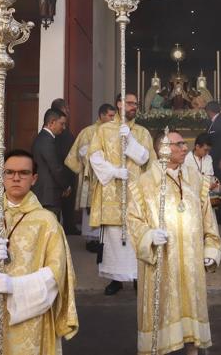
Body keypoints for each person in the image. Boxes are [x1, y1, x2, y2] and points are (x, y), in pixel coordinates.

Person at [0, 149, 78, 355]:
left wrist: (16, 286)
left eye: (23, 173)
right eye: (9, 172)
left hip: (28, 319)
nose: (16, 177)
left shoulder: (47, 222)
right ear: (3, 176)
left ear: (34, 178)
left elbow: (57, 274)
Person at [128, 130, 221, 355]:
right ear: (163, 149)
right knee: (162, 310)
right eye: (178, 144)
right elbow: (132, 219)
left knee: (192, 307)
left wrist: (210, 247)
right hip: (162, 260)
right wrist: (149, 236)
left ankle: (192, 349)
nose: (184, 148)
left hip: (190, 261)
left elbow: (207, 215)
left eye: (183, 144)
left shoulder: (195, 177)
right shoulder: (144, 183)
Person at [87, 93, 156, 295]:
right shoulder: (104, 130)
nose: (134, 106)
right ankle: (115, 279)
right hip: (111, 191)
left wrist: (131, 140)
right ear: (119, 104)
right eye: (130, 103)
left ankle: (137, 277)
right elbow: (94, 157)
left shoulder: (142, 132)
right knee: (113, 236)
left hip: (136, 192)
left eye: (136, 103)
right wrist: (114, 171)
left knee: (135, 233)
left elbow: (146, 160)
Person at [65, 103, 116, 252]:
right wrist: (101, 160)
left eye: (114, 116)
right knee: (91, 205)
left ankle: (105, 239)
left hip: (109, 177)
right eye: (110, 116)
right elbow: (82, 153)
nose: (113, 119)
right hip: (92, 176)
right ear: (101, 115)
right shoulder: (89, 132)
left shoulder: (114, 132)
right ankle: (91, 240)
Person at [31, 108, 71, 220]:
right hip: (48, 195)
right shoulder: (46, 140)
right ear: (52, 122)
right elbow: (55, 168)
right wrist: (66, 186)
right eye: (61, 124)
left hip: (46, 194)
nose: (63, 128)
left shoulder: (44, 138)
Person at [51, 98, 79, 235]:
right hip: (63, 170)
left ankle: (69, 226)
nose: (68, 111)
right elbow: (62, 153)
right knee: (61, 203)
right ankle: (64, 228)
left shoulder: (64, 129)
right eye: (65, 109)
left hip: (68, 170)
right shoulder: (58, 131)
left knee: (68, 203)